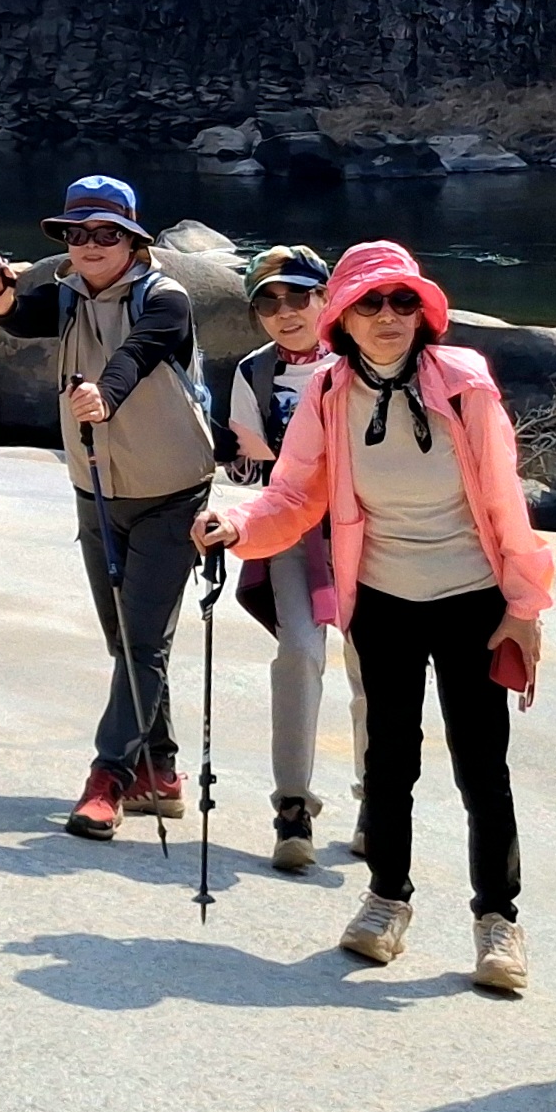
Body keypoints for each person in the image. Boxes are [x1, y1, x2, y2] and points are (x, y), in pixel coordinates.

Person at [193, 241, 554, 994]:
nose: (387, 315)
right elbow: (294, 494)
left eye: (401, 300)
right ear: (343, 318)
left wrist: (524, 604)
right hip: (382, 597)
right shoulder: (328, 392)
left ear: (423, 311)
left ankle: (498, 920)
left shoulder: (464, 383)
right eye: (369, 303)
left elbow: (503, 498)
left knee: (481, 767)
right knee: (389, 760)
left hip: (472, 597)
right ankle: (387, 899)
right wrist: (238, 524)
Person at [0, 175, 212, 839]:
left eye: (107, 233)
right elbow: (24, 316)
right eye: (77, 233)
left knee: (141, 641)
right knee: (128, 642)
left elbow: (136, 356)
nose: (90, 244)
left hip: (171, 492)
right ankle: (159, 772)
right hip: (97, 490)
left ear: (133, 241)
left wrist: (103, 396)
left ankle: (107, 778)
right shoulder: (67, 295)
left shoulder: (165, 299)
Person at [220, 246, 370, 872]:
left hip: (369, 535)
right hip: (293, 533)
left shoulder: (363, 361)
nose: (285, 313)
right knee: (300, 654)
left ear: (326, 298)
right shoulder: (253, 374)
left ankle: (375, 802)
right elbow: (250, 470)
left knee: (372, 668)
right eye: (268, 303)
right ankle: (292, 807)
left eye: (298, 297)